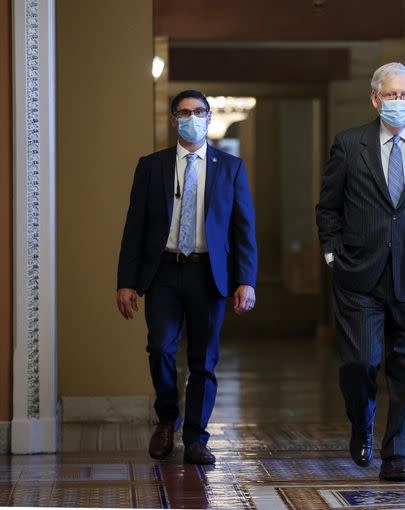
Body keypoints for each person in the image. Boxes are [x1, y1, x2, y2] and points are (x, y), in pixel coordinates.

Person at [316, 62, 405, 483]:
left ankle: (397, 453)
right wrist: (331, 255)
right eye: (392, 95)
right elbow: (328, 207)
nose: (399, 103)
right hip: (358, 276)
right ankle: (362, 423)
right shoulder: (349, 144)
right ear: (375, 99)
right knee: (361, 362)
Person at [116, 89, 257, 465]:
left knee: (203, 360)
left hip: (208, 274)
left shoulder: (230, 168)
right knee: (160, 348)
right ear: (173, 119)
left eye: (198, 111)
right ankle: (167, 419)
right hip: (162, 271)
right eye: (184, 112)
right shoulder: (151, 166)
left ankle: (196, 437)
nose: (191, 118)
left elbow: (244, 230)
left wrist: (247, 280)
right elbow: (135, 228)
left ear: (209, 118)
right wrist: (125, 282)